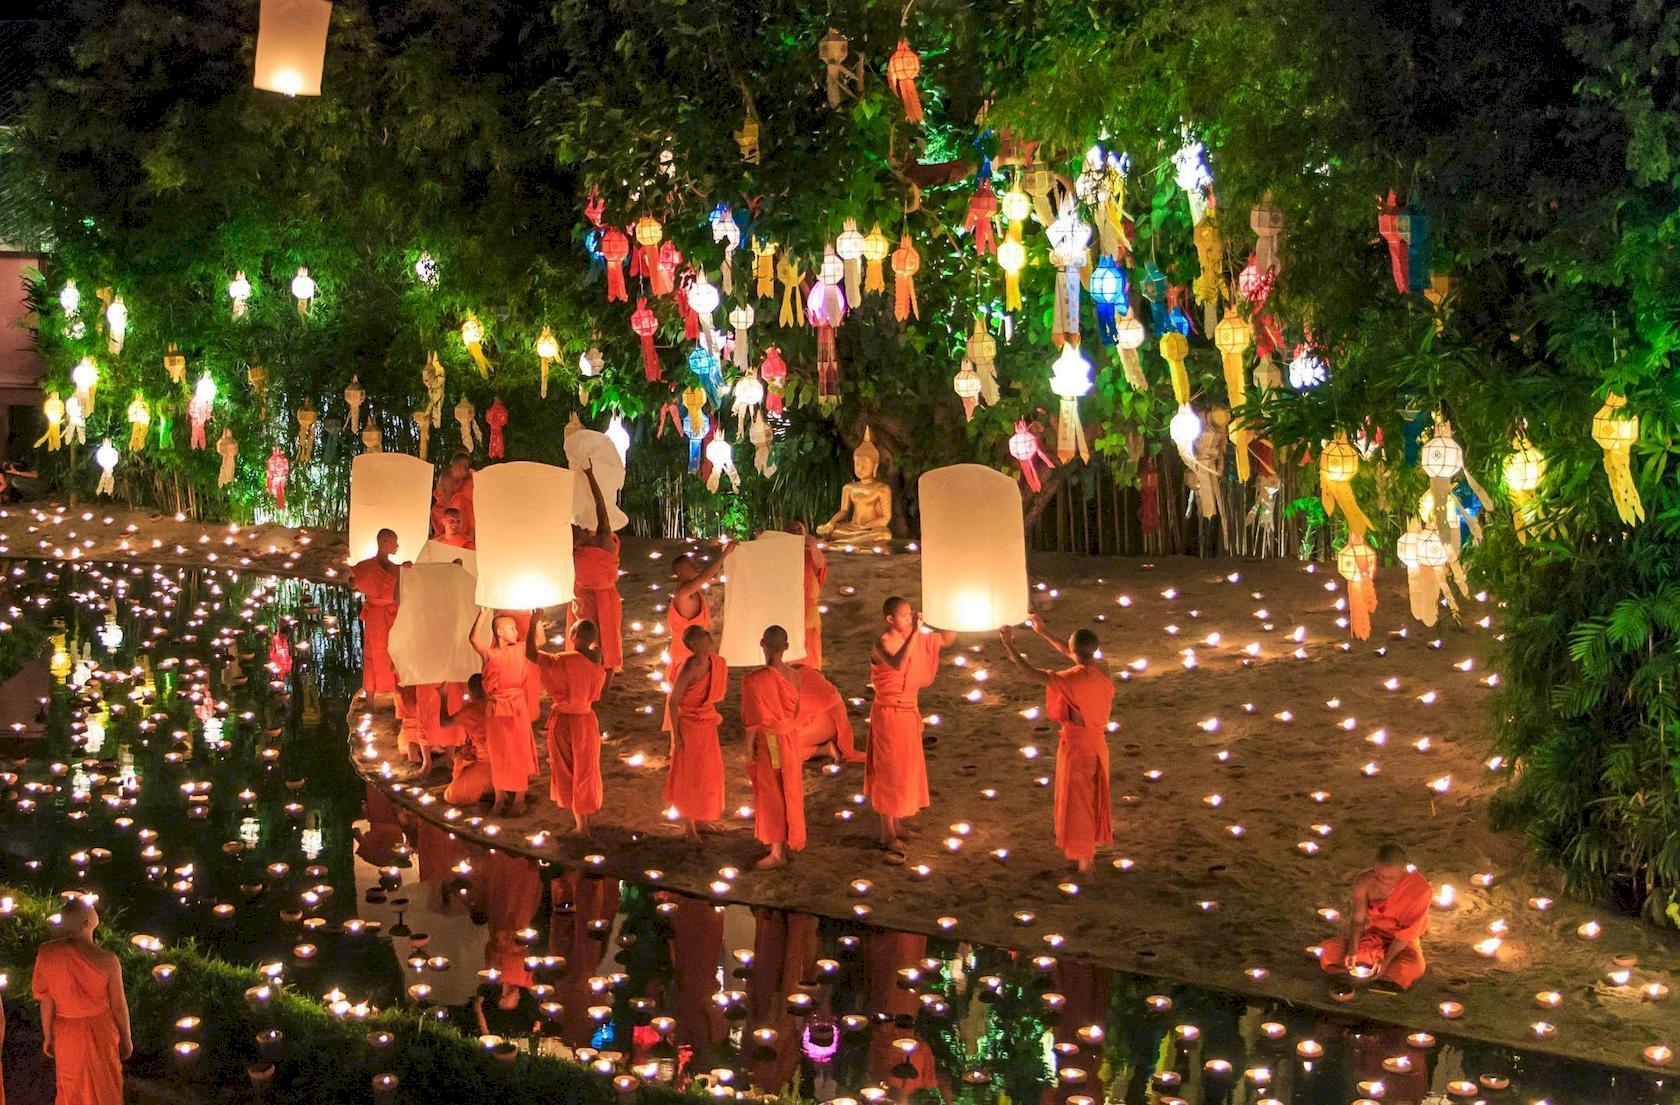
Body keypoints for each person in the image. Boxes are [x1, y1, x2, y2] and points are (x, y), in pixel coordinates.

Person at [998, 614, 1115, 873]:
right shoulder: (1103, 669)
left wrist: (1009, 645)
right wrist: (1042, 632)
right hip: (1098, 746)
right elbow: (1072, 652)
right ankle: (1084, 853)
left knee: (1079, 803)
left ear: (1073, 650)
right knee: (1091, 798)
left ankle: (1085, 858)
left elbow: (1030, 673)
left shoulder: (1068, 679)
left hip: (1076, 748)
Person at [866, 597, 954, 858]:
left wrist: (952, 612)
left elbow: (946, 640)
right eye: (903, 615)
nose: (909, 618)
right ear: (890, 619)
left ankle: (898, 824)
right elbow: (898, 665)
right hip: (889, 715)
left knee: (905, 768)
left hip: (908, 712)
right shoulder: (882, 642)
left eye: (910, 614)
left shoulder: (917, 637)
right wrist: (915, 632)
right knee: (888, 770)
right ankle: (886, 831)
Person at [33, 896, 130, 1105]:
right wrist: (126, 1038)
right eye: (91, 908)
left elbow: (46, 1000)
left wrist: (48, 1035)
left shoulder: (47, 953)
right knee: (105, 1086)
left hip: (67, 1032)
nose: (94, 906)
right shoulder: (107, 960)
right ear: (87, 923)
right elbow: (119, 1005)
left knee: (72, 1087)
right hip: (100, 1030)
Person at [527, 610, 606, 839]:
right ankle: (585, 820)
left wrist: (533, 621)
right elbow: (593, 650)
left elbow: (531, 653)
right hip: (587, 720)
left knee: (569, 769)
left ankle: (582, 826)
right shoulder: (596, 659)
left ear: (573, 637)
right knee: (587, 768)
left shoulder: (564, 660)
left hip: (566, 721)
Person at [1317, 844, 1433, 990]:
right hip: (1371, 935)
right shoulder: (1363, 881)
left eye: (1390, 877)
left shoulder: (1420, 890)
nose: (1384, 880)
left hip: (1400, 943)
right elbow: (1358, 920)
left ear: (1403, 869)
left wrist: (1386, 961)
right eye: (1379, 876)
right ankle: (1375, 974)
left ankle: (1374, 971)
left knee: (1409, 968)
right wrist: (1352, 950)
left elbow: (1405, 935)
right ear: (1374, 867)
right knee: (1329, 950)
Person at [740, 625, 809, 869]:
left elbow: (751, 722)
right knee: (789, 789)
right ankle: (785, 841)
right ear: (787, 647)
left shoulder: (754, 681)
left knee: (772, 794)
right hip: (790, 739)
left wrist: (748, 750)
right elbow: (796, 712)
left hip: (770, 743)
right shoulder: (795, 676)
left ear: (762, 644)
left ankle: (777, 852)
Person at [469, 609, 537, 817]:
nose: (516, 631)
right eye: (512, 628)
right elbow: (473, 639)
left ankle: (519, 798)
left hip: (516, 707)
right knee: (497, 752)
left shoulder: (521, 649)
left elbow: (539, 640)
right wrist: (481, 614)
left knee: (519, 750)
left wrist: (536, 619)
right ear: (499, 632)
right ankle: (499, 798)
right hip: (496, 707)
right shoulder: (492, 654)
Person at [664, 624, 728, 842]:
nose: (708, 635)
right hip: (689, 726)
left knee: (708, 772)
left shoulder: (715, 662)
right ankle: (689, 826)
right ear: (692, 644)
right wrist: (676, 735)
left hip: (706, 723)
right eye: (703, 634)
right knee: (690, 774)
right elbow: (673, 701)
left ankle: (701, 819)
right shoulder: (689, 667)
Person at [571, 464, 624, 684]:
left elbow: (601, 507)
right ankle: (583, 674)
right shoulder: (573, 549)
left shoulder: (603, 539)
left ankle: (607, 679)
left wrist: (591, 475)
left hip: (605, 596)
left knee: (608, 639)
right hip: (582, 595)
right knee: (583, 635)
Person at [662, 544, 735, 693]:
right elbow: (707, 575)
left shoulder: (695, 592)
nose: (696, 565)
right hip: (685, 659)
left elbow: (713, 577)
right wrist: (724, 554)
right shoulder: (682, 594)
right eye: (691, 564)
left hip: (697, 654)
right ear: (681, 573)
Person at [351, 528, 401, 703]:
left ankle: (397, 700)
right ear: (384, 543)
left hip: (392, 615)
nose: (398, 546)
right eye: (395, 542)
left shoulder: (397, 569)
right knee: (374, 652)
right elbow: (353, 581)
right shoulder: (366, 567)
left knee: (394, 653)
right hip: (377, 615)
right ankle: (371, 700)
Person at [441, 675, 492, 806]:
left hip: (488, 764)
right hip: (509, 762)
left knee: (450, 795)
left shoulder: (469, 711)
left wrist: (443, 696)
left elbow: (444, 722)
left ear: (470, 692)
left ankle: (487, 787)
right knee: (461, 756)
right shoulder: (498, 704)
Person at [788, 522, 827, 669]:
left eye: (799, 529)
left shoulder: (810, 553)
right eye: (791, 530)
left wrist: (813, 547)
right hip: (788, 611)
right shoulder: (779, 555)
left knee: (810, 653)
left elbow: (820, 564)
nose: (796, 532)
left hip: (808, 612)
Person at [431, 451, 476, 543]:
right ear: (459, 468)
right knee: (459, 501)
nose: (467, 471)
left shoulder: (468, 475)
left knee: (464, 500)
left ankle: (469, 533)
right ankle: (459, 536)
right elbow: (447, 504)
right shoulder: (447, 478)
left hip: (464, 506)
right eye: (464, 468)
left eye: (467, 468)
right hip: (446, 507)